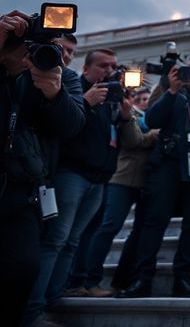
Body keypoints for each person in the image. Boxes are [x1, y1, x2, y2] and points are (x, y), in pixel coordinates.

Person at [25, 49, 139, 325]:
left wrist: (125, 114)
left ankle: (54, 295)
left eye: (114, 65)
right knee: (55, 239)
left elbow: (128, 141)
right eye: (103, 65)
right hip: (71, 173)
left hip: (99, 178)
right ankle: (33, 308)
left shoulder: (114, 98)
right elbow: (64, 127)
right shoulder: (75, 88)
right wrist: (86, 102)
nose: (110, 70)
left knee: (72, 241)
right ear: (87, 69)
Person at [116, 54, 190, 298]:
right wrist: (171, 90)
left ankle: (184, 277)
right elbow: (153, 119)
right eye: (188, 70)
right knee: (153, 220)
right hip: (167, 164)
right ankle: (142, 278)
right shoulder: (174, 94)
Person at [0, 11, 85, 327]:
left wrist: (53, 91)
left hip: (23, 188)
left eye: (61, 51)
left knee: (24, 267)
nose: (51, 55)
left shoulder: (63, 77)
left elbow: (72, 125)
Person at [79, 88, 159, 296]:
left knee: (136, 232)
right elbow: (133, 140)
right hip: (122, 179)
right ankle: (89, 280)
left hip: (146, 182)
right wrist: (152, 134)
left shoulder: (152, 117)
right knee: (109, 227)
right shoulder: (125, 116)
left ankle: (121, 279)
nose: (143, 102)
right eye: (139, 99)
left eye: (146, 99)